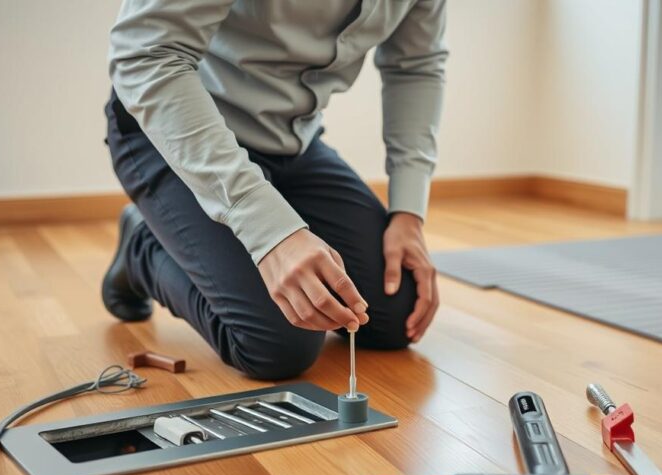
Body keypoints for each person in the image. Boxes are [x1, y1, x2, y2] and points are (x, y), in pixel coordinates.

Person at [101, 0, 447, 380]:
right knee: (278, 344)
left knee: (398, 311)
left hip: (292, 141)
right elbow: (146, 55)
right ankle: (142, 245)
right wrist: (269, 230)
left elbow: (416, 66)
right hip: (172, 138)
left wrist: (408, 213)